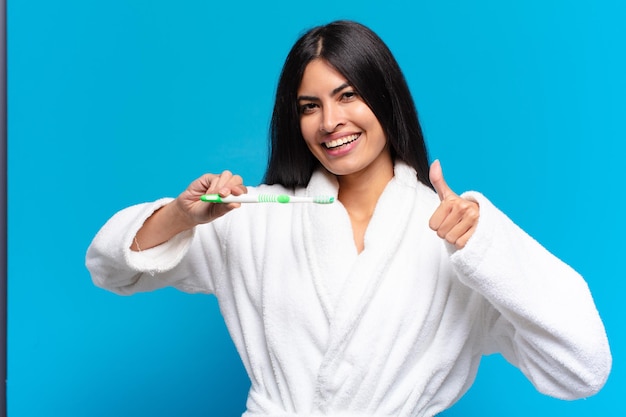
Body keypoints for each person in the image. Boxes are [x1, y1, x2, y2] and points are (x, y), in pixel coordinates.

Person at [86, 20, 611, 417]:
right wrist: (179, 217)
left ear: (385, 99)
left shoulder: (460, 237)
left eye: (348, 96)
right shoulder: (254, 217)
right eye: (309, 106)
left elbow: (581, 369)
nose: (331, 122)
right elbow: (111, 268)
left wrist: (490, 246)